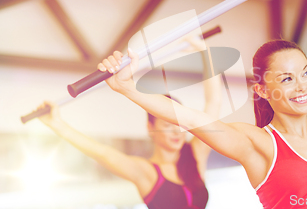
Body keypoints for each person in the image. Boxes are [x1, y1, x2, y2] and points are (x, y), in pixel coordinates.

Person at [98, 0, 307, 209]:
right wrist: (128, 88)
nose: (303, 86)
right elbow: (191, 118)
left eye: (305, 74)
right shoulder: (258, 143)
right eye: (287, 79)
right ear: (262, 91)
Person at [39, 37, 221, 209]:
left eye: (181, 125)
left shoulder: (196, 154)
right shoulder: (146, 172)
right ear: (151, 128)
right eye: (167, 125)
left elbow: (213, 103)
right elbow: (102, 153)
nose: (177, 132)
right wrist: (57, 124)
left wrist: (205, 53)